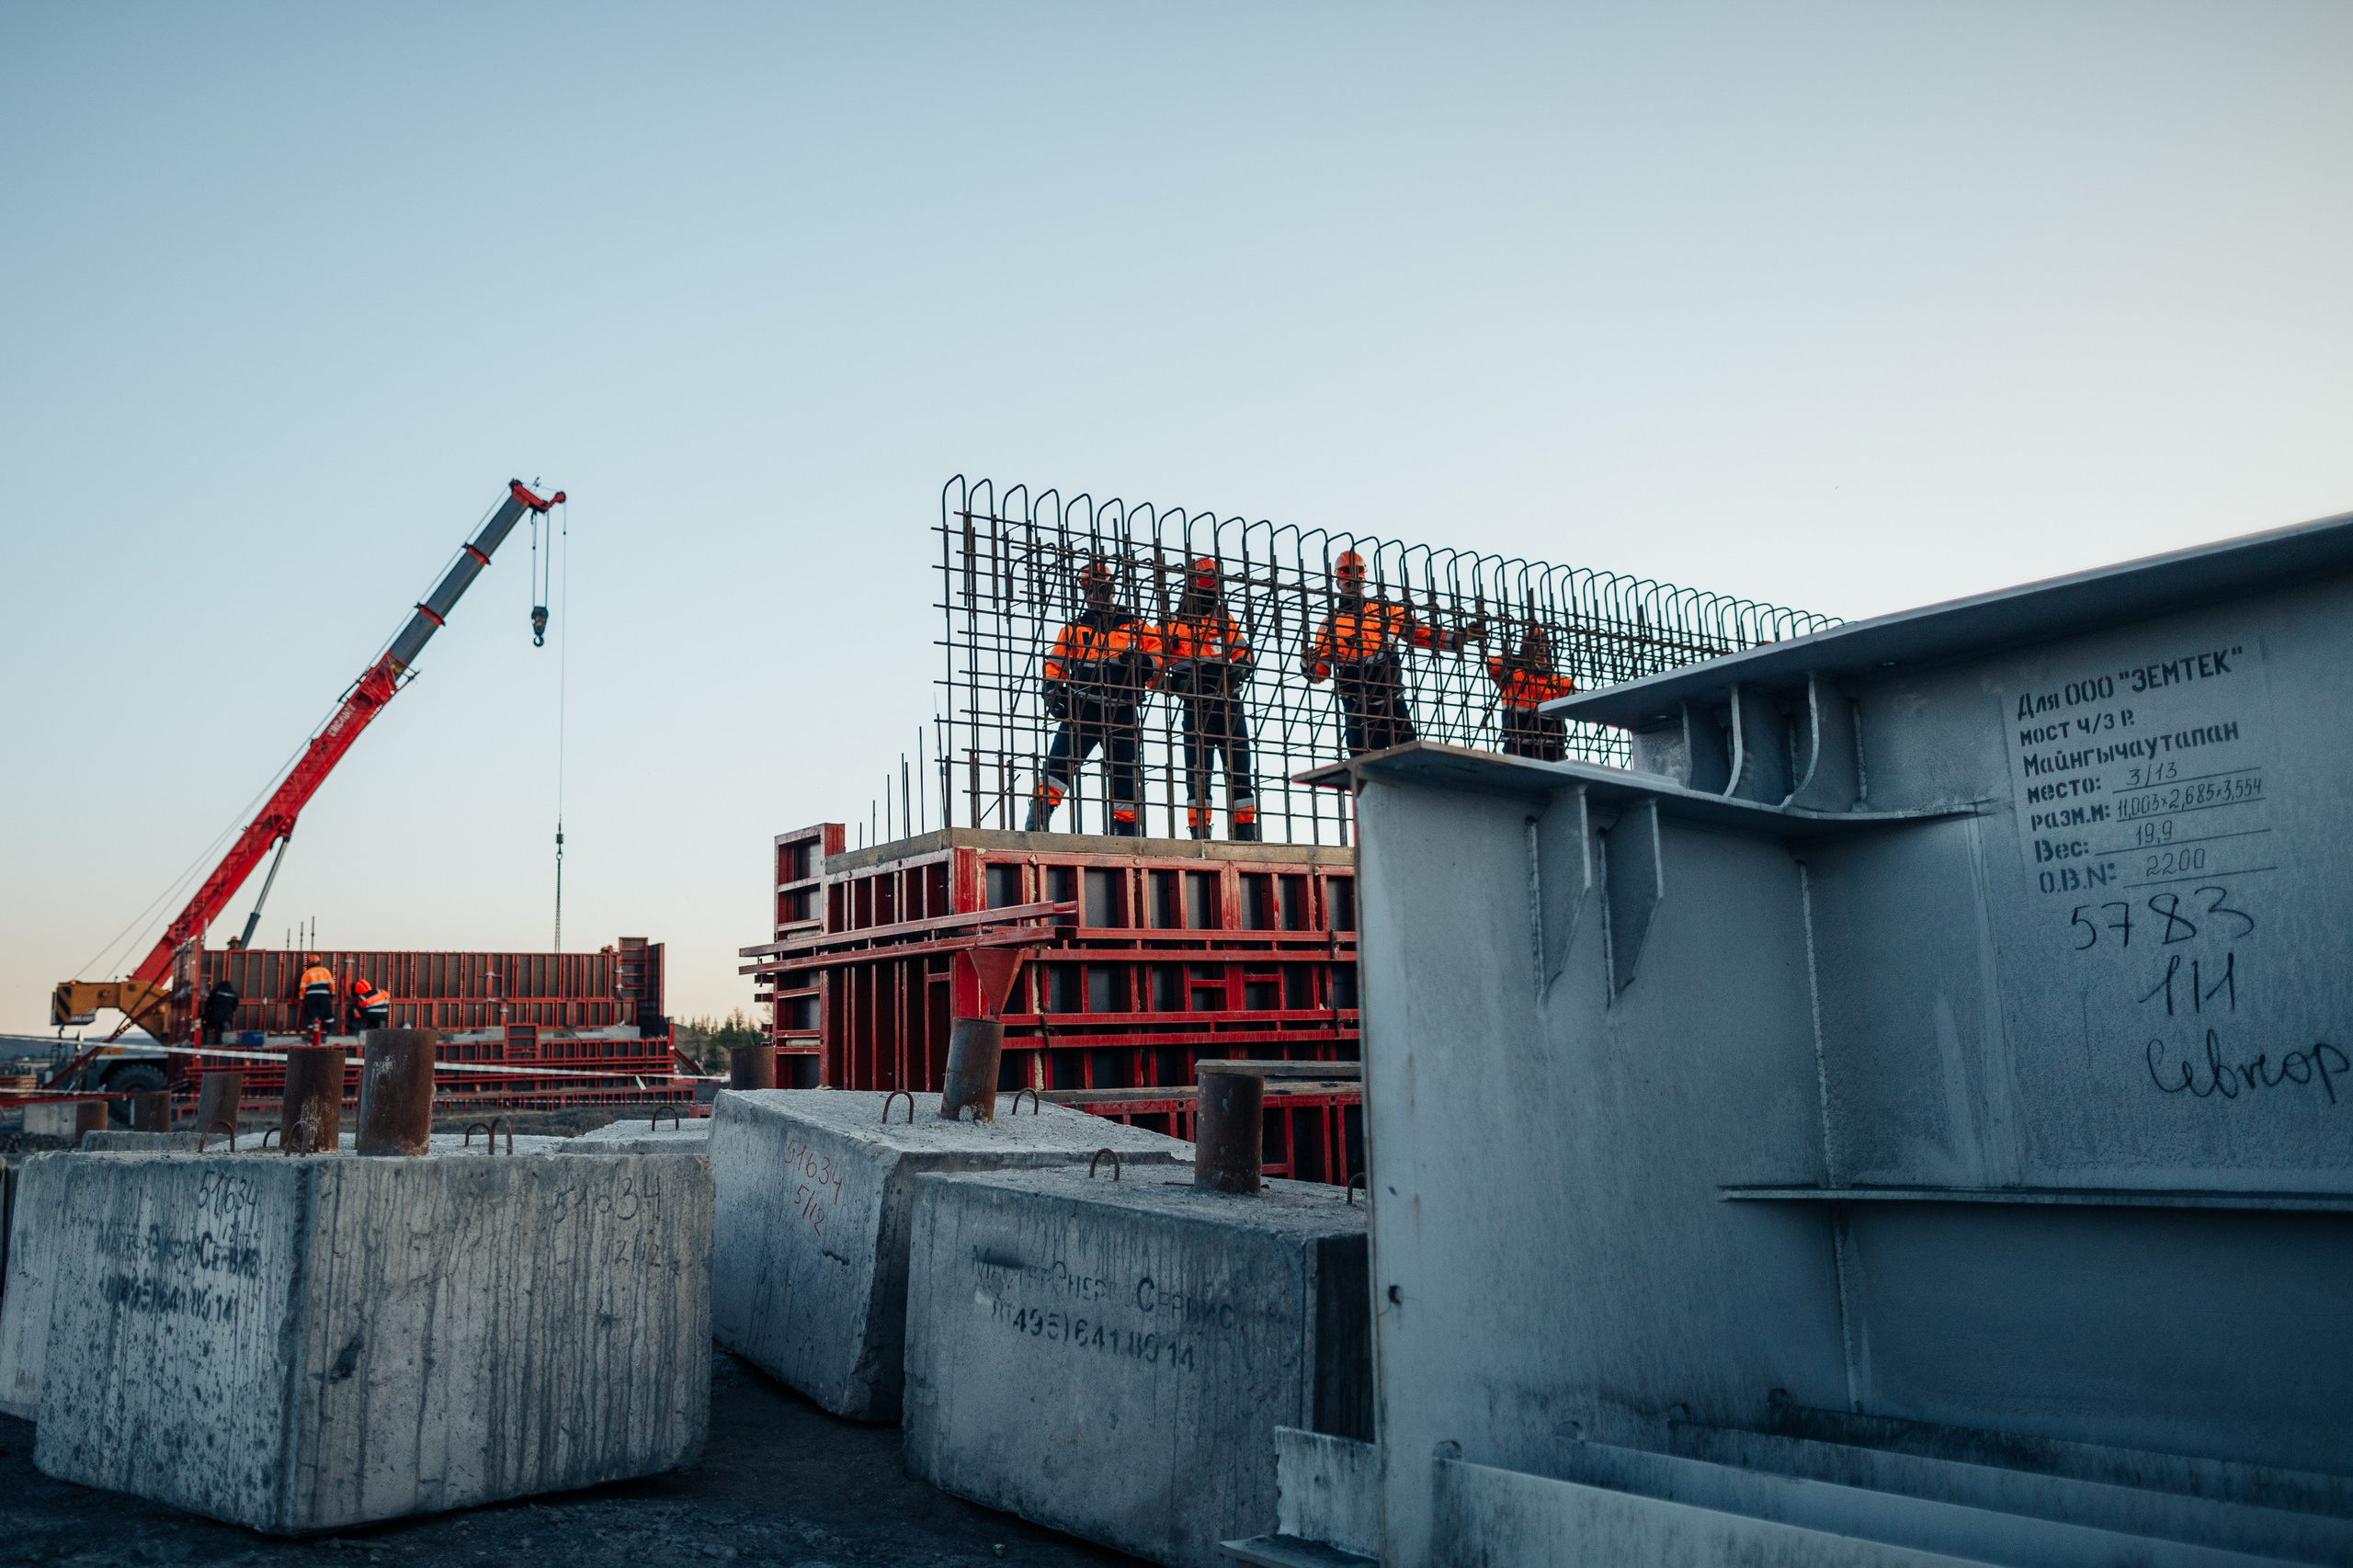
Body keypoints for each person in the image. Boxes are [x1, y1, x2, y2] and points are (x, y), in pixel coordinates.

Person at [1304, 550, 1482, 756]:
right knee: (1365, 771)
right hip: (1357, 710)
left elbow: (1424, 635)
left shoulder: (1386, 611)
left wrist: (1459, 638)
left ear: (1364, 577)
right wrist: (1308, 666)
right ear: (1337, 580)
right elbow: (1320, 672)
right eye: (1346, 574)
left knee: (1410, 764)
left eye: (1357, 572)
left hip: (1392, 705)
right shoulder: (1330, 626)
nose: (1353, 579)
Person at [1029, 560, 1160, 835]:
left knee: (1125, 777)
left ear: (1109, 589)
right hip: (1083, 709)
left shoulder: (1135, 626)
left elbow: (1158, 661)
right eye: (1087, 592)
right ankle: (1036, 825)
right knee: (1057, 768)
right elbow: (1054, 666)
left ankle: (1125, 836)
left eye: (1097, 591)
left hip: (1122, 711)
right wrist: (1053, 693)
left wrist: (1142, 663)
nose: (1092, 598)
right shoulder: (1075, 629)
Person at [1159, 556, 1258, 840]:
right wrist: (1181, 683)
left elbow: (1243, 653)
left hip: (1229, 703)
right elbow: (1162, 668)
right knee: (1199, 776)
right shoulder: (1175, 626)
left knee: (1240, 772)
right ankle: (1200, 832)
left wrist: (1242, 665)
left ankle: (1245, 832)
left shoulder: (1223, 620)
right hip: (1198, 705)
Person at [1486, 625, 1578, 761]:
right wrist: (1521, 660)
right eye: (1535, 642)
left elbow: (1582, 705)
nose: (1541, 647)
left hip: (1552, 751)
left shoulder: (1561, 682)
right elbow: (1492, 665)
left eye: (1545, 643)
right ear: (1524, 647)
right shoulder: (1514, 675)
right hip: (1518, 749)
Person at [297, 954, 336, 1032]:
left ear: (310, 963)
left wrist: (301, 997)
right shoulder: (325, 971)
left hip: (311, 996)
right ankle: (329, 1030)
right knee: (327, 1011)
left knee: (312, 1013)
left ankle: (313, 1032)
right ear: (319, 962)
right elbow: (331, 984)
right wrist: (332, 993)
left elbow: (302, 987)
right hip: (323, 994)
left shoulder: (307, 973)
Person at [199, 976, 240, 1046]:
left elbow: (208, 1003)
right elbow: (235, 1007)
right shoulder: (234, 994)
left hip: (214, 1015)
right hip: (227, 1017)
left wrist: (206, 1012)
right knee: (223, 1029)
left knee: (203, 1022)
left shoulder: (216, 991)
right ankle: (221, 1042)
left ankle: (204, 1040)